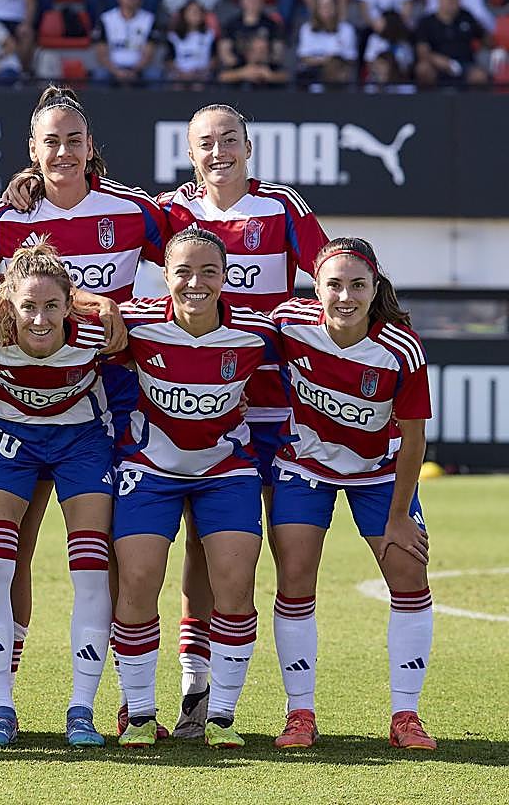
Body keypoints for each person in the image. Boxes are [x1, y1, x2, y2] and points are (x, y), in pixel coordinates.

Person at [0, 85, 162, 739]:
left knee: (123, 555)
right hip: (15, 409)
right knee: (10, 554)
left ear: (92, 146)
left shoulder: (134, 211)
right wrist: (56, 301)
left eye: (74, 139)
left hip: (106, 402)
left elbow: (188, 273)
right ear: (31, 152)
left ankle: (129, 693)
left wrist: (117, 316)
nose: (63, 151)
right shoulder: (1, 219)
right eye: (51, 141)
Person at [157, 103, 328, 738]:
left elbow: (334, 276)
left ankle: (296, 704)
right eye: (205, 141)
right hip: (201, 403)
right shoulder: (171, 210)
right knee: (203, 547)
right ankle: (194, 687)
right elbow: (100, 229)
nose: (218, 150)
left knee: (284, 553)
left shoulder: (283, 207)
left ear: (248, 148)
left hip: (277, 408)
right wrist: (29, 186)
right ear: (190, 151)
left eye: (229, 139)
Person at [113, 227, 279, 749]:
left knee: (234, 582)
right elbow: (64, 306)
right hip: (149, 469)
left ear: (227, 277)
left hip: (225, 470)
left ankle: (220, 716)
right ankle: (139, 714)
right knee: (137, 580)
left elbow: (324, 331)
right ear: (165, 276)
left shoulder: (257, 333)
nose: (195, 282)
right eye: (183, 271)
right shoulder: (136, 321)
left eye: (209, 271)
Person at [268, 237, 436, 751]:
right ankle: (300, 714)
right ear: (315, 288)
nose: (345, 296)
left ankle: (405, 714)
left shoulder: (401, 348)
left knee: (409, 571)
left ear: (374, 287)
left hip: (380, 473)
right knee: (295, 579)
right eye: (333, 285)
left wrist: (402, 514)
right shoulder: (286, 324)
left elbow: (414, 438)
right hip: (303, 466)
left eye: (356, 285)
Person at [0, 243, 117, 748]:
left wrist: (104, 304)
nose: (41, 319)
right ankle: (1, 706)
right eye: (28, 306)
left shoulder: (98, 333)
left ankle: (82, 710)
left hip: (82, 442)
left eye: (52, 306)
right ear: (9, 303)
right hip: (9, 440)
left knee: (90, 567)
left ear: (71, 304)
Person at [414, 0, 489, 88]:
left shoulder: (466, 17)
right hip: (437, 66)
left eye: (457, 0)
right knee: (423, 70)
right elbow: (422, 51)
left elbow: (485, 39)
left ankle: (474, 104)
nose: (454, 3)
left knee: (479, 76)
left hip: (465, 65)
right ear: (440, 0)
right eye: (450, 0)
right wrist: (437, 60)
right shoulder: (426, 22)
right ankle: (426, 103)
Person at [92, 0, 159, 85]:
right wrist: (117, 72)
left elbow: (148, 54)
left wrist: (134, 71)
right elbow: (101, 53)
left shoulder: (149, 19)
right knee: (99, 75)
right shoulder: (106, 19)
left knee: (154, 75)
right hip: (113, 68)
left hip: (139, 68)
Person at [295, 0, 357, 86]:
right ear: (316, 9)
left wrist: (332, 62)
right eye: (322, 6)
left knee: (338, 70)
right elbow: (304, 58)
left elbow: (350, 58)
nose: (326, 9)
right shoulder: (306, 28)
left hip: (339, 69)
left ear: (336, 8)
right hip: (314, 69)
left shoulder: (346, 29)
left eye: (329, 5)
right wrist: (325, 60)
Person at [165, 0, 215, 85]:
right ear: (184, 14)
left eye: (198, 11)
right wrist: (181, 73)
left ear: (203, 15)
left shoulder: (210, 35)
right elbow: (168, 59)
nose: (195, 14)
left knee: (198, 85)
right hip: (179, 75)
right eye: (191, 11)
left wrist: (203, 72)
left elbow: (214, 58)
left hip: (202, 75)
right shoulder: (174, 36)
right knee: (177, 85)